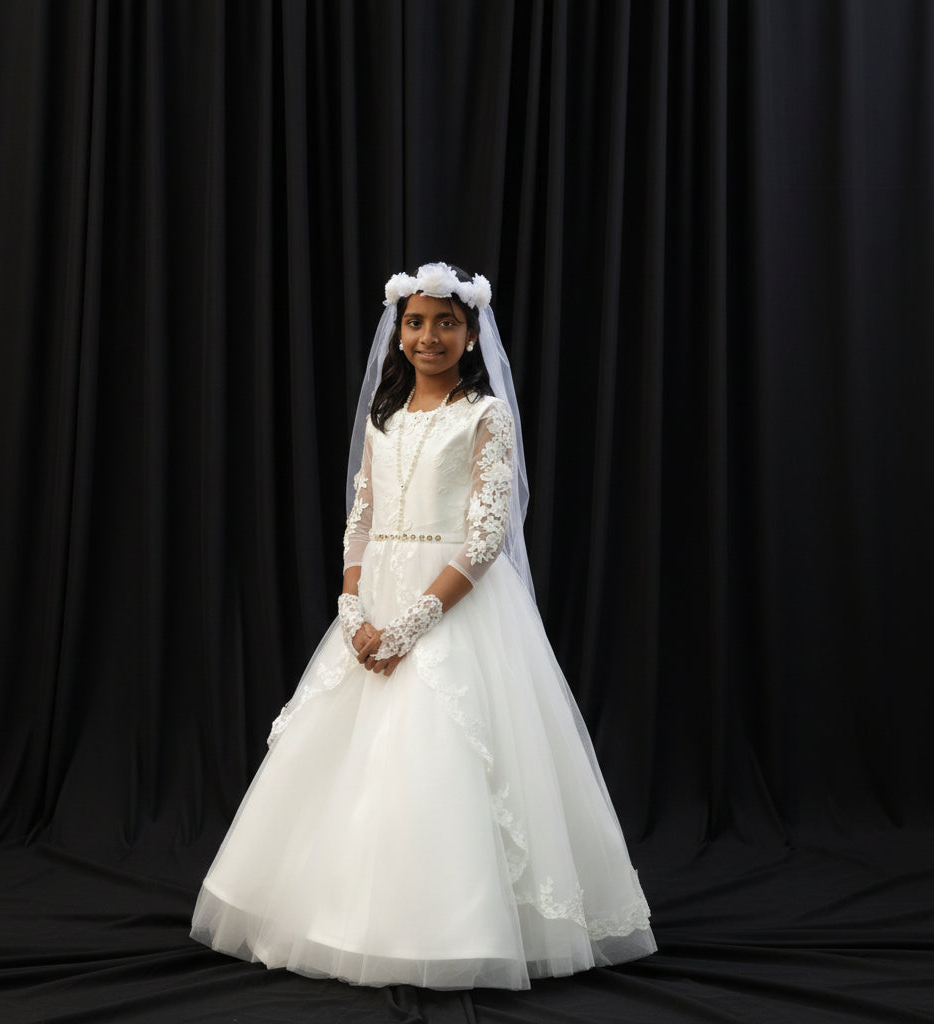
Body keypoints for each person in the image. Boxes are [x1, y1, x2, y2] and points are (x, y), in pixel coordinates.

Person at [190, 262, 656, 990]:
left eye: (446, 323)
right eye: (415, 323)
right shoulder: (384, 416)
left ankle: (452, 932)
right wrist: (352, 605)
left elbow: (486, 536)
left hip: (453, 605)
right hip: (373, 603)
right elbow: (362, 516)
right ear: (398, 332)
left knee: (444, 758)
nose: (428, 336)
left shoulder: (485, 416)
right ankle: (341, 920)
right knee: (348, 764)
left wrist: (409, 626)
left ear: (470, 335)